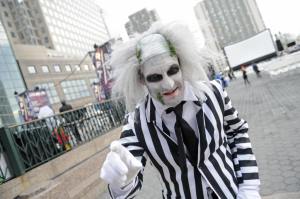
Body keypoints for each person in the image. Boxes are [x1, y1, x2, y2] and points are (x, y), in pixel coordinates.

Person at [100, 22, 260, 199]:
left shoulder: (213, 92)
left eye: (173, 70)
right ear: (141, 80)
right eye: (155, 77)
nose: (168, 84)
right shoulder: (136, 122)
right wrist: (122, 182)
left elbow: (237, 132)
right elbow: (126, 185)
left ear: (181, 64)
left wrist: (249, 187)